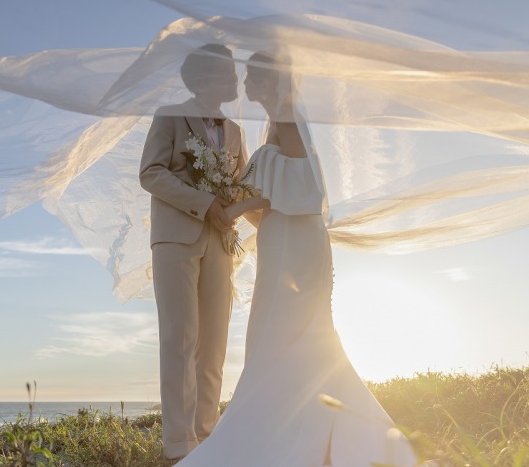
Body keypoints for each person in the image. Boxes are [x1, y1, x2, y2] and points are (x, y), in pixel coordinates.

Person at [176, 52, 419, 466]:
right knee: (288, 333)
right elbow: (272, 201)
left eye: (252, 76)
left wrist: (231, 209)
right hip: (282, 239)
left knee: (290, 328)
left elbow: (306, 190)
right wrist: (235, 208)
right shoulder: (278, 123)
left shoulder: (287, 119)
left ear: (269, 81)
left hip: (296, 245)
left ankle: (291, 435)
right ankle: (312, 427)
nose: (245, 83)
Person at [139, 44, 248, 460]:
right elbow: (150, 173)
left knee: (215, 340)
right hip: (175, 239)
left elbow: (240, 181)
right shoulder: (169, 116)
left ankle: (208, 434)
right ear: (202, 78)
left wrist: (234, 202)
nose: (236, 80)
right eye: (228, 72)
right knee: (179, 337)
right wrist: (204, 204)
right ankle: (179, 445)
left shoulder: (237, 131)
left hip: (221, 243)